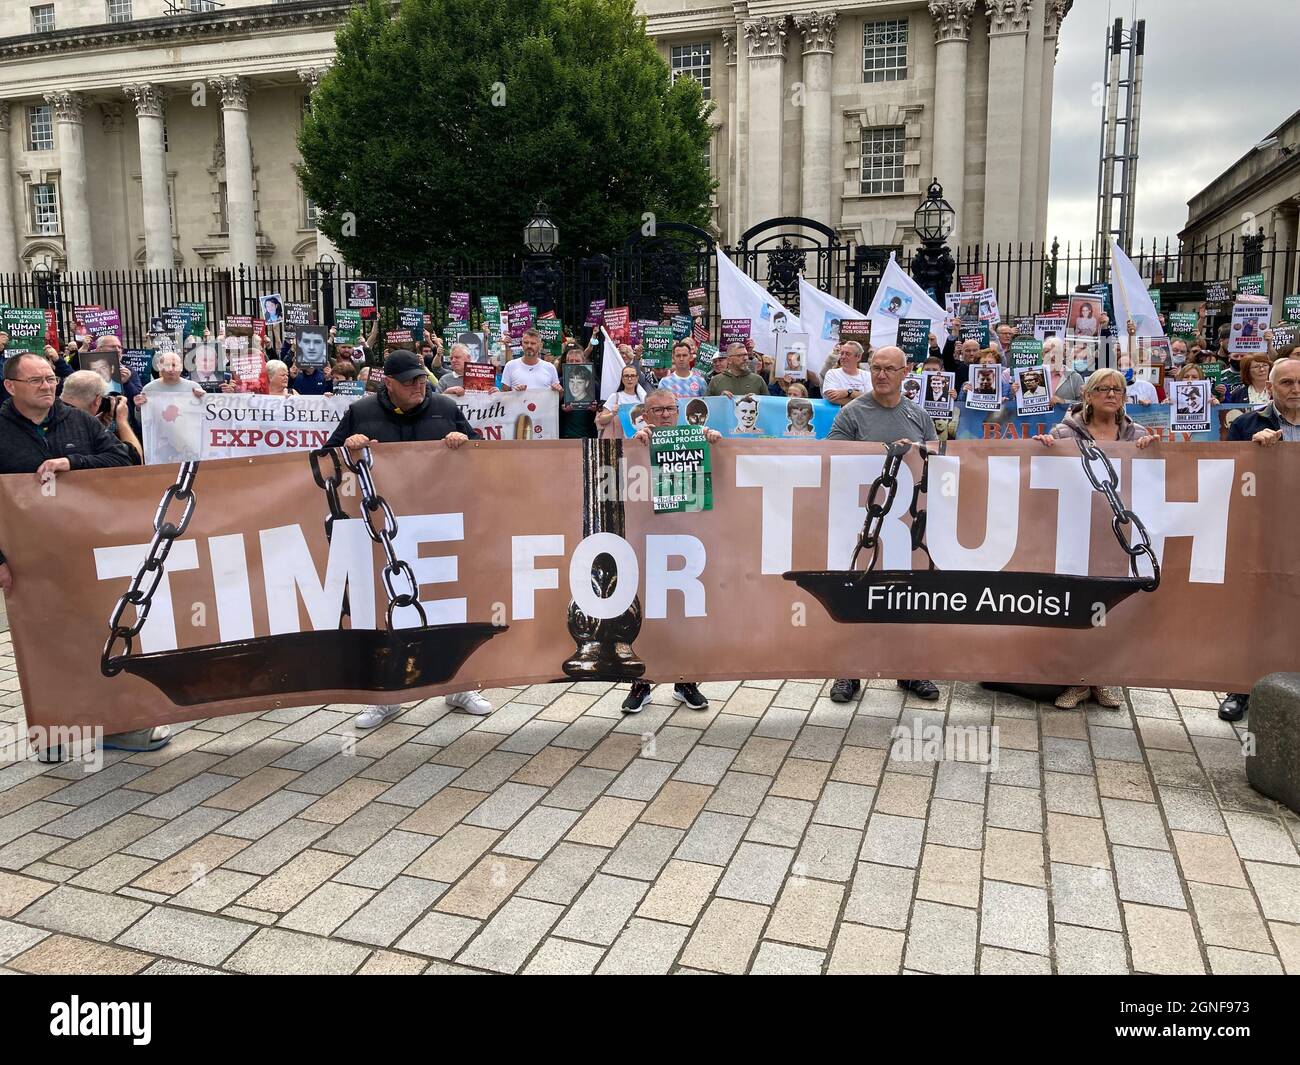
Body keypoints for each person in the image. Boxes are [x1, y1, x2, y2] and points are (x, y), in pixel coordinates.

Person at [0, 353, 161, 751]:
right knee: (46, 641)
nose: (47, 385)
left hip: (89, 549)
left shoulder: (79, 420)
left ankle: (116, 726)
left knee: (101, 630)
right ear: (10, 386)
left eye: (51, 378)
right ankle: (56, 729)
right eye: (36, 379)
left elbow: (122, 458)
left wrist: (73, 462)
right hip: (29, 556)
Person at [325, 350, 493, 727]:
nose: (419, 386)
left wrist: (463, 440)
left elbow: (481, 450)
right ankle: (388, 694)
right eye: (410, 381)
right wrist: (348, 445)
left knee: (450, 605)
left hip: (439, 523)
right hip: (385, 531)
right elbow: (328, 457)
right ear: (388, 384)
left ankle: (459, 686)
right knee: (388, 607)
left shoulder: (445, 406)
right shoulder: (362, 411)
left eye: (422, 379)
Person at [1033, 368, 1158, 710]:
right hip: (1075, 530)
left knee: (1112, 608)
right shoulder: (1064, 431)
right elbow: (1045, 472)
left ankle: (1101, 679)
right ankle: (1077, 680)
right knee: (1078, 604)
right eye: (1102, 388)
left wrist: (1152, 451)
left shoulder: (1139, 434)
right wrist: (1045, 448)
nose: (1111, 394)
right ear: (1087, 395)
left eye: (1118, 389)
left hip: (1120, 534)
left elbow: (1152, 480)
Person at [826, 346, 940, 703]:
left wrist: (919, 451)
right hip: (863, 519)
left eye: (889, 369)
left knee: (907, 593)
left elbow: (937, 461)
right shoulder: (852, 413)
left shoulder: (919, 415)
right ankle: (850, 670)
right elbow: (832, 457)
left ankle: (909, 669)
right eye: (875, 368)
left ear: (905, 372)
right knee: (857, 591)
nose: (881, 375)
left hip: (906, 522)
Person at [621, 388, 722, 714]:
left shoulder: (697, 437)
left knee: (685, 612)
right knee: (643, 611)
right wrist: (635, 443)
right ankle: (641, 683)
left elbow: (720, 473)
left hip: (687, 538)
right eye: (658, 410)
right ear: (646, 415)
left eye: (670, 409)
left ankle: (685, 681)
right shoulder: (636, 440)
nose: (665, 414)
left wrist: (713, 440)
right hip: (646, 538)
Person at [1214, 357, 1300, 722]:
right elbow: (1230, 480)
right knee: (1257, 611)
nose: (1296, 389)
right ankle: (1242, 687)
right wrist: (1252, 451)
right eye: (1287, 383)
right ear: (1270, 388)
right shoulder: (1248, 424)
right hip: (1266, 530)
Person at [60, 369, 143, 464]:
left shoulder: (51, 414)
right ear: (97, 400)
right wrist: (122, 421)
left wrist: (95, 425)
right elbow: (136, 459)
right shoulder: (80, 425)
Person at [502, 328, 563, 394]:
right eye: (526, 342)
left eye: (533, 343)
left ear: (540, 345)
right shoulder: (510, 366)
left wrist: (560, 391)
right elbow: (503, 396)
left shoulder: (550, 367)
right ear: (522, 344)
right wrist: (516, 394)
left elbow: (558, 397)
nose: (529, 346)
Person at [560, 345, 598, 439]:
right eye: (571, 361)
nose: (574, 363)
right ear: (566, 362)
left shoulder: (594, 384)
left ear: (583, 362)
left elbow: (602, 408)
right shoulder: (560, 382)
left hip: (589, 434)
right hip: (565, 435)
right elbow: (552, 410)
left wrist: (595, 409)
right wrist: (561, 409)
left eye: (577, 361)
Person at [821, 341, 872, 406]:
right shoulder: (832, 373)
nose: (843, 357)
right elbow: (832, 398)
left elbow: (870, 399)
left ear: (858, 357)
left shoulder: (867, 375)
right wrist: (858, 397)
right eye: (842, 353)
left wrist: (848, 392)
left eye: (847, 354)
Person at [596, 365, 646, 431]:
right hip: (619, 437)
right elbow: (601, 420)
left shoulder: (643, 397)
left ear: (637, 378)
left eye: (633, 376)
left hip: (639, 438)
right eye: (626, 376)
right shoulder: (615, 397)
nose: (630, 379)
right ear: (622, 379)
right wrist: (612, 414)